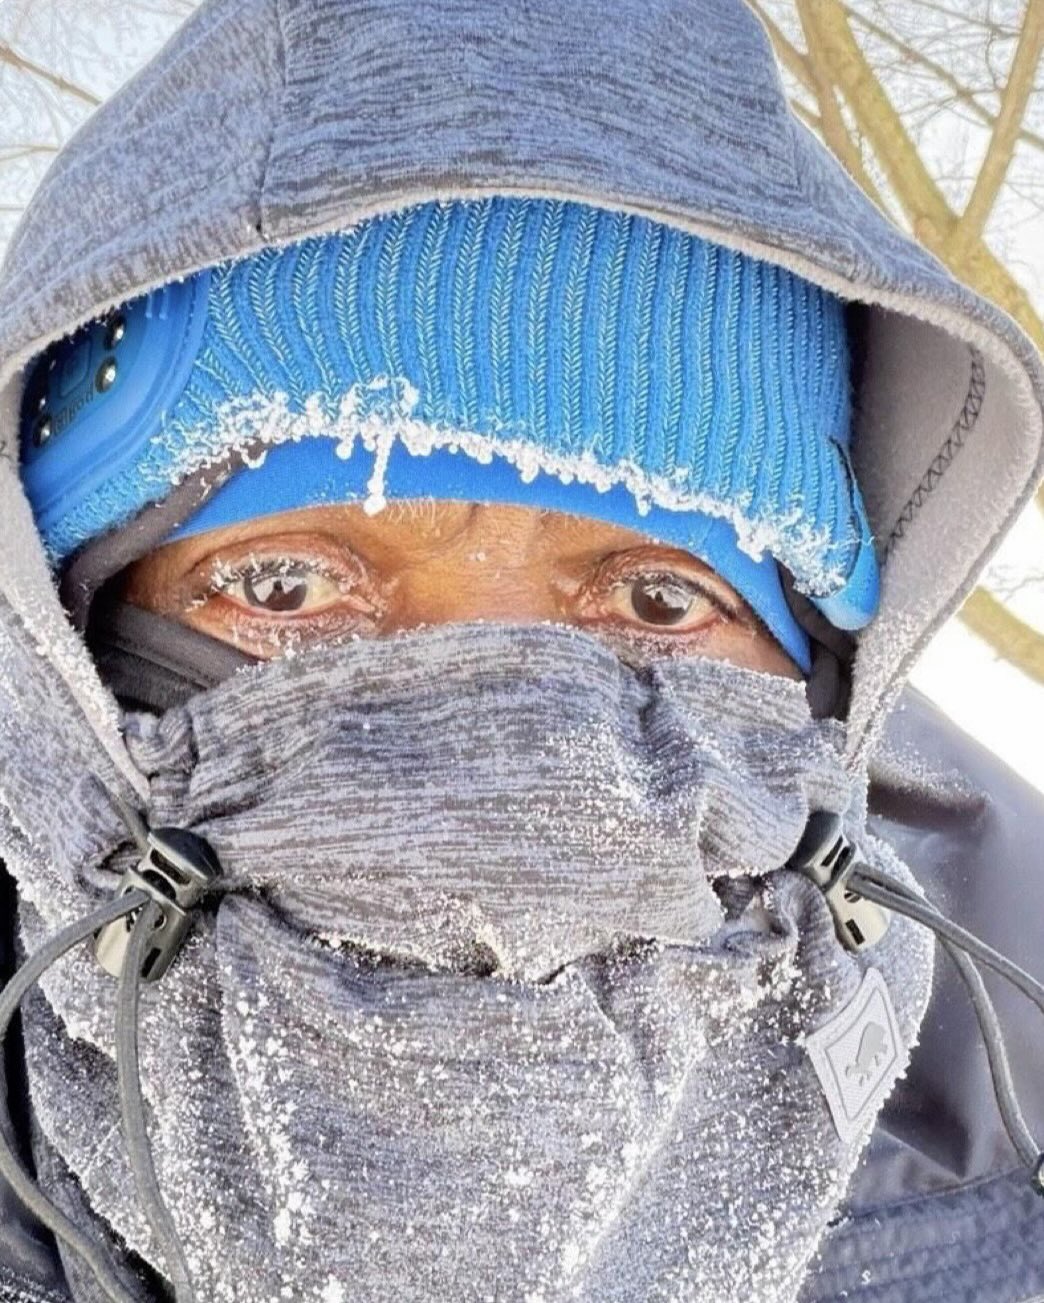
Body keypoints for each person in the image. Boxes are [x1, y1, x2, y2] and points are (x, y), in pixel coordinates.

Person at [0, 2, 1041, 1302]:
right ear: (65, 648)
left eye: (659, 607)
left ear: (820, 679)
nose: (496, 765)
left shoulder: (1012, 1120)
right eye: (285, 586)